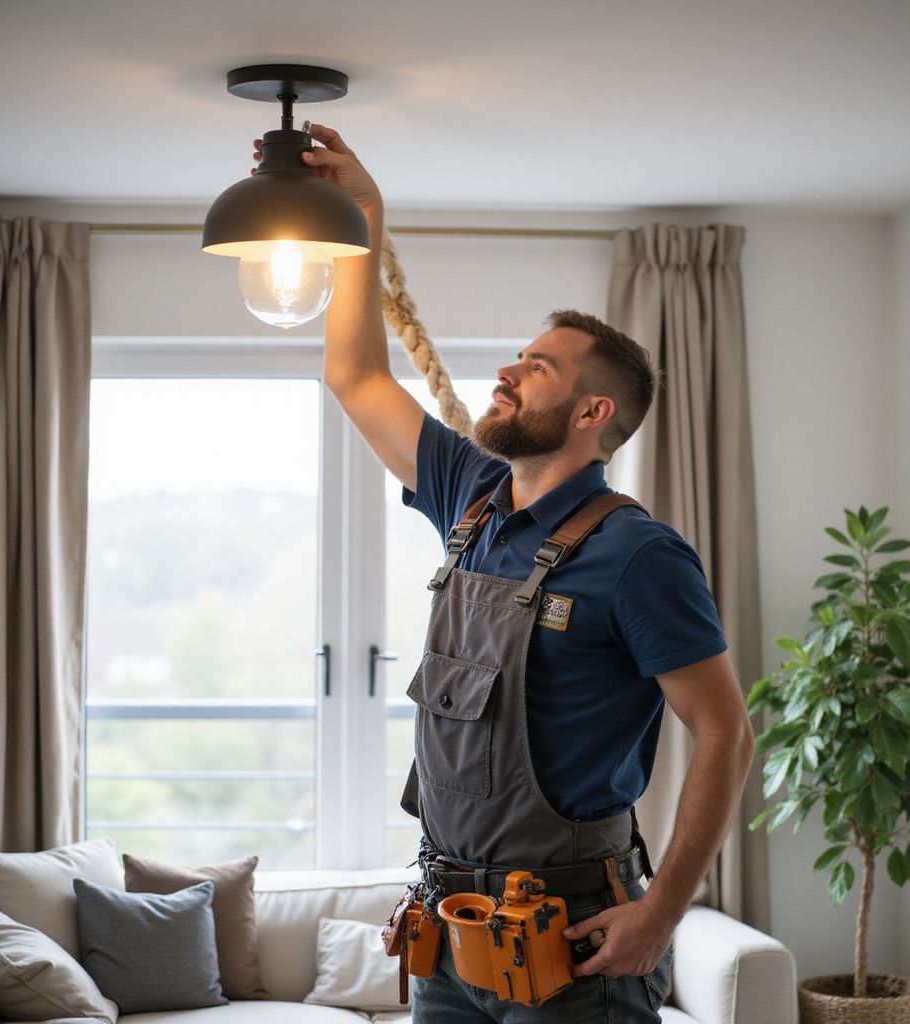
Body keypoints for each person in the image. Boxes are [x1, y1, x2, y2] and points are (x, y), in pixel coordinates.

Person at [254, 126, 756, 1023]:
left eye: (537, 368)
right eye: (519, 358)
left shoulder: (640, 556)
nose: (507, 373)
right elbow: (354, 373)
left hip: (573, 941)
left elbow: (725, 735)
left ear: (591, 413)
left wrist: (662, 914)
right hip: (448, 934)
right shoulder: (472, 497)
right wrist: (362, 212)